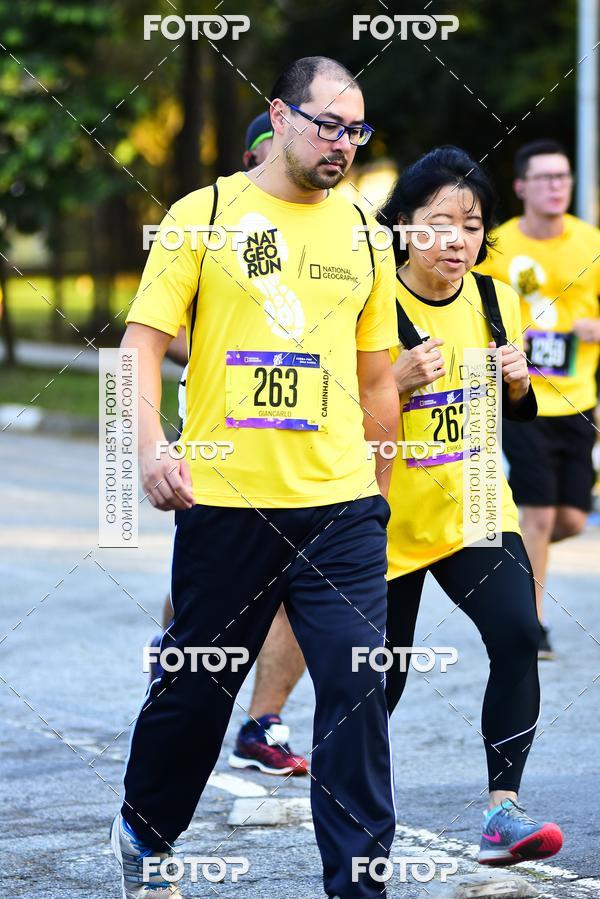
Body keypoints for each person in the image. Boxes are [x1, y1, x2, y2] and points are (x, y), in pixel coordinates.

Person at [111, 56, 400, 899]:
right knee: (197, 694)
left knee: (356, 690)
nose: (342, 144)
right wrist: (151, 451)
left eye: (356, 130)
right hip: (227, 503)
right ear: (278, 115)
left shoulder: (366, 234)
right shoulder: (202, 216)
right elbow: (138, 349)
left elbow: (377, 378)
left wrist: (377, 489)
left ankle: (359, 885)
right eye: (327, 124)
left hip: (340, 507)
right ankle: (145, 827)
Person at [377, 146, 563, 866]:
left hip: (478, 502)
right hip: (387, 514)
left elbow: (517, 413)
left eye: (472, 224)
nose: (457, 239)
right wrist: (393, 379)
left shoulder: (494, 299)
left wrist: (518, 382)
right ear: (403, 226)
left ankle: (503, 812)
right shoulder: (371, 302)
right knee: (378, 678)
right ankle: (348, 795)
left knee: (518, 634)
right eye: (440, 222)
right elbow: (339, 413)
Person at [149, 111, 309, 777]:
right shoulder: (211, 223)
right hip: (219, 433)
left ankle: (262, 719)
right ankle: (176, 643)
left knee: (297, 585)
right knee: (211, 584)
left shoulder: (320, 230)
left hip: (302, 442)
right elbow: (164, 331)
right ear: (251, 158)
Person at [478, 139, 600, 660]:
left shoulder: (590, 243)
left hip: (578, 399)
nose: (557, 186)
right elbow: (479, 315)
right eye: (546, 178)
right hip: (521, 398)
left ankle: (512, 565)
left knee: (572, 517)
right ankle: (535, 625)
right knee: (541, 513)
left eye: (564, 177)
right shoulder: (500, 246)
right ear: (522, 186)